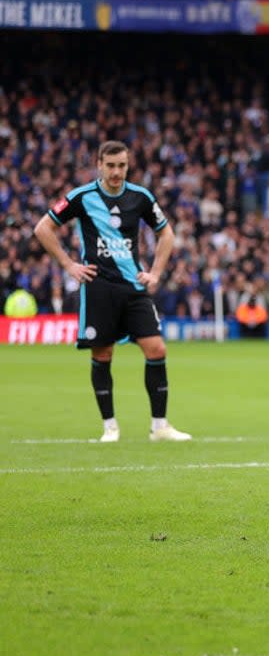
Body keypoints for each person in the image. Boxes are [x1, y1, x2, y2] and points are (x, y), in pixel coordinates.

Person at [32, 140, 191, 442]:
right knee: (103, 353)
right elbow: (43, 228)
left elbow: (166, 233)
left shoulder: (141, 197)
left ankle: (160, 426)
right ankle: (110, 427)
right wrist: (68, 265)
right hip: (98, 287)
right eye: (111, 166)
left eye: (122, 166)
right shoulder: (81, 196)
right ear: (99, 165)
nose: (117, 172)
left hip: (133, 286)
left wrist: (155, 272)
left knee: (156, 349)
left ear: (128, 165)